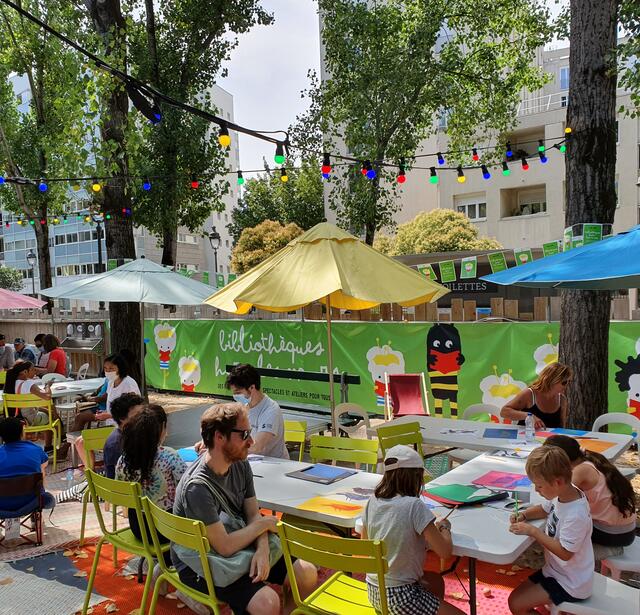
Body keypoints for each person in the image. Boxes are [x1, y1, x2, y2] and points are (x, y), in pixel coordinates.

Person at [172, 403, 317, 615]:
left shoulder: (239, 462)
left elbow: (252, 515)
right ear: (219, 437)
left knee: (306, 574)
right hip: (200, 563)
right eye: (245, 434)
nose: (252, 441)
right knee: (266, 603)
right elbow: (224, 547)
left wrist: (263, 549)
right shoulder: (198, 488)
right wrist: (266, 525)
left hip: (234, 545)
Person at [361, 445, 465, 615]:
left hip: (374, 589)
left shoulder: (373, 500)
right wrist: (445, 528)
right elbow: (445, 552)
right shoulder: (414, 506)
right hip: (401, 596)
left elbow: (365, 545)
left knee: (436, 581)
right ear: (415, 478)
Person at [508, 446, 594, 615]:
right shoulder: (562, 493)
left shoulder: (576, 514)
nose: (536, 490)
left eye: (539, 486)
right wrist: (524, 515)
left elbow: (565, 553)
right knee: (514, 599)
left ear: (557, 482)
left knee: (516, 604)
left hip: (571, 583)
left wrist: (533, 531)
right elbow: (544, 509)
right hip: (555, 572)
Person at [543, 434, 636, 560]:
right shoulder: (588, 458)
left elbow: (554, 497)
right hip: (624, 529)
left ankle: (603, 550)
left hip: (614, 534)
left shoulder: (580, 471)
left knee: (557, 524)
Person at [116, 404, 186, 562]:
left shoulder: (124, 459)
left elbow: (121, 493)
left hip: (138, 527)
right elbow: (188, 489)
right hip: (166, 530)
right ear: (161, 429)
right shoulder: (169, 456)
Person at [195, 364, 288, 459]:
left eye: (238, 392)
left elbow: (257, 447)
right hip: (249, 460)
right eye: (234, 393)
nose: (235, 396)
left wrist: (220, 451)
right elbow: (224, 430)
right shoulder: (241, 406)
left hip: (273, 464)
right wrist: (208, 442)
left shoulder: (271, 409)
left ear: (252, 388)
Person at [73, 354, 141, 467]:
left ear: (120, 368)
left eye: (111, 369)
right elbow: (110, 403)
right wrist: (105, 414)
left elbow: (134, 412)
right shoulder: (110, 382)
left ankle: (92, 473)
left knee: (82, 442)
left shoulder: (129, 384)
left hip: (126, 430)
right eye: (105, 369)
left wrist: (109, 416)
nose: (108, 371)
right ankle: (90, 473)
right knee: (79, 442)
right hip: (111, 427)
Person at [4, 361, 69, 457]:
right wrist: (47, 386)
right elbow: (47, 396)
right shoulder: (28, 384)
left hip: (18, 416)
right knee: (52, 416)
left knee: (48, 411)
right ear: (24, 372)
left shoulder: (12, 383)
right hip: (31, 418)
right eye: (32, 369)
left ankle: (52, 444)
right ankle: (50, 445)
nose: (35, 371)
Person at [0, 417, 55, 514]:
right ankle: (35, 519)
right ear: (22, 433)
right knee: (41, 469)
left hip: (2, 506)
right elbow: (45, 464)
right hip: (30, 502)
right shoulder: (35, 449)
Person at [501, 362, 572, 429]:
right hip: (526, 439)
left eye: (569, 382)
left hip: (550, 441)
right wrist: (528, 416)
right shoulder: (530, 394)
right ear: (551, 380)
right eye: (564, 382)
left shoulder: (562, 400)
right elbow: (504, 412)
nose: (567, 385)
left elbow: (562, 427)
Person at [102, 393, 145, 478]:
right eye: (137, 415)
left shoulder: (132, 435)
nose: (143, 418)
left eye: (143, 414)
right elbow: (122, 478)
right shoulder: (117, 443)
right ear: (122, 418)